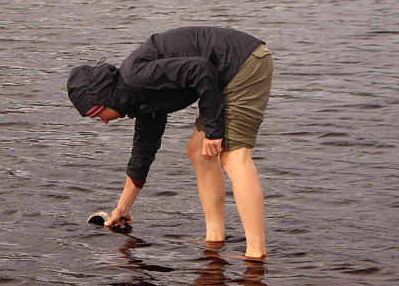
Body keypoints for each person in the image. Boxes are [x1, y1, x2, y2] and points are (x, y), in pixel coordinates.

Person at [67, 26, 273, 259]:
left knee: (234, 157)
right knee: (198, 152)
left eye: (97, 114)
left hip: (243, 63)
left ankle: (256, 255)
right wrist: (122, 209)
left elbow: (201, 69)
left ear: (103, 99)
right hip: (224, 73)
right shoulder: (138, 99)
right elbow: (142, 155)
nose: (103, 122)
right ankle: (215, 239)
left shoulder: (137, 78)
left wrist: (215, 130)